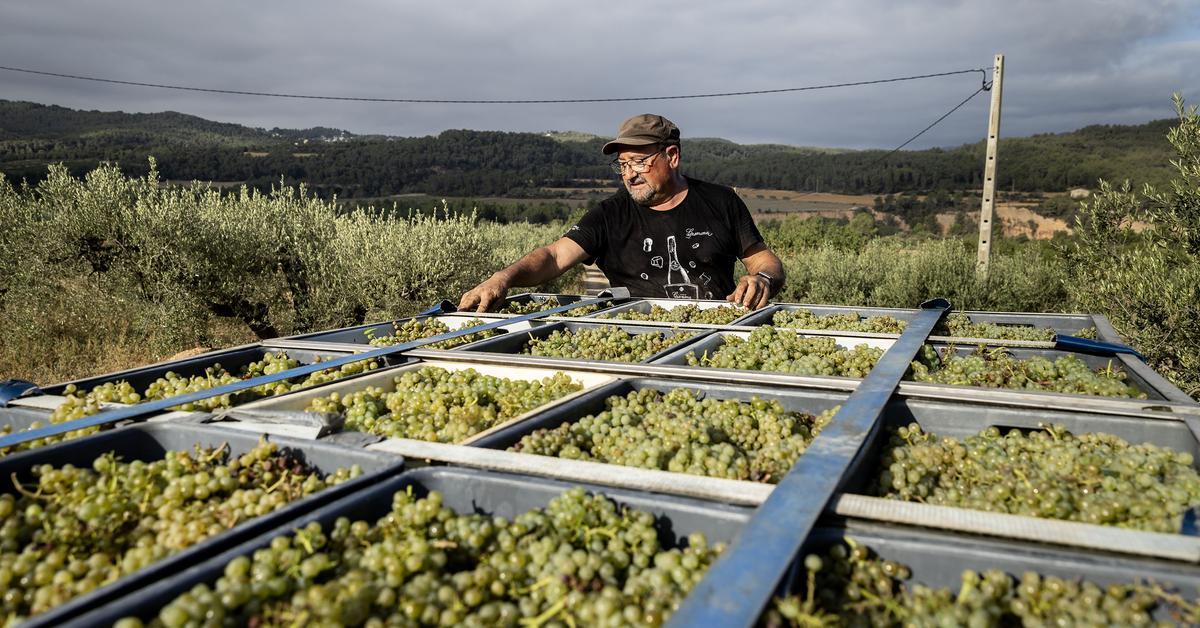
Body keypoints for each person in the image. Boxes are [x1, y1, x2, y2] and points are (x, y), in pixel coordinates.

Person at [459, 113, 785, 312]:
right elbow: (554, 256)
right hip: (634, 340)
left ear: (671, 156)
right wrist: (503, 277)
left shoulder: (720, 202)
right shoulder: (609, 215)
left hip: (713, 336)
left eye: (639, 162)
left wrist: (762, 280)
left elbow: (763, 260)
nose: (629, 174)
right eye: (623, 164)